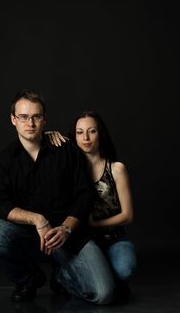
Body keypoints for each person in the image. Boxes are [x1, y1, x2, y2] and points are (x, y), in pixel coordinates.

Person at [0, 90, 116, 305]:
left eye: (36, 117)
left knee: (104, 294)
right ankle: (28, 278)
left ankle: (62, 275)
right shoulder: (4, 160)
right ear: (13, 119)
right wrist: (37, 219)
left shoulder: (66, 150)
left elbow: (85, 194)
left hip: (69, 237)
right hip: (31, 237)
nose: (30, 123)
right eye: (24, 117)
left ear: (44, 119)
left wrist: (67, 228)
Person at [47, 110, 137, 302]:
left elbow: (128, 215)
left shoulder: (116, 169)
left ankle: (75, 278)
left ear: (100, 134)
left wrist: (95, 223)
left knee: (124, 270)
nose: (85, 137)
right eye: (79, 132)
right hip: (84, 241)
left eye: (92, 131)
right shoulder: (72, 169)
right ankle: (69, 276)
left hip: (113, 238)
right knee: (108, 288)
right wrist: (48, 135)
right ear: (74, 136)